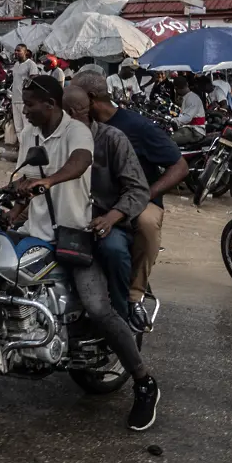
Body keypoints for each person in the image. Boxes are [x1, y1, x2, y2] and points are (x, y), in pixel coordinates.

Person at [11, 75, 159, 431]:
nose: (69, 117)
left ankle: (142, 375)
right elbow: (27, 179)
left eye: (73, 111)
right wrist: (13, 202)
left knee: (101, 298)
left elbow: (89, 169)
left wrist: (112, 216)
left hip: (86, 230)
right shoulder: (33, 135)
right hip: (45, 231)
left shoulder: (102, 138)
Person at [75, 69, 188, 329]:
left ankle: (135, 295)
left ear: (90, 98)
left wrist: (147, 194)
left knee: (146, 224)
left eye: (75, 99)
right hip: (96, 200)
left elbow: (180, 167)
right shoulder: (79, 127)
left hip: (137, 198)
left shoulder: (136, 127)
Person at [62, 83, 149, 319]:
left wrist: (111, 218)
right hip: (68, 221)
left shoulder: (112, 139)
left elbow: (138, 189)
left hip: (106, 222)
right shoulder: (58, 141)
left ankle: (122, 318)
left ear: (70, 113)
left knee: (113, 251)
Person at [9, 44, 40, 140]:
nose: (16, 52)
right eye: (15, 50)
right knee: (18, 127)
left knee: (27, 127)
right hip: (15, 99)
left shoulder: (31, 64)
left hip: (24, 101)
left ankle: (28, 145)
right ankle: (21, 145)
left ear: (25, 52)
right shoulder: (16, 64)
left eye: (19, 50)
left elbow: (34, 81)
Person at [170, 77, 206, 145]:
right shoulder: (187, 97)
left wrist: (174, 120)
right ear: (187, 84)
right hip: (189, 128)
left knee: (168, 140)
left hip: (194, 131)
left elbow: (187, 117)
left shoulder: (192, 98)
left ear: (176, 88)